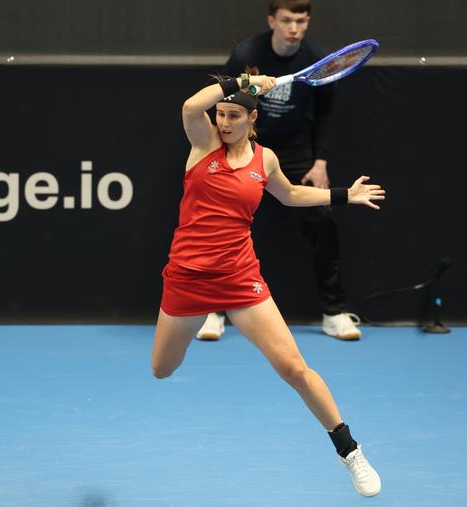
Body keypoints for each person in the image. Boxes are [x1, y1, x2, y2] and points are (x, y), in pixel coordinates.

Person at [152, 71, 383, 496]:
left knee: (294, 369)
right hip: (186, 278)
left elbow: (291, 195)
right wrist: (239, 81)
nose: (223, 122)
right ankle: (204, 319)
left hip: (240, 279)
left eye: (233, 115)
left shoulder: (266, 160)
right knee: (162, 370)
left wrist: (343, 195)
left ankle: (350, 452)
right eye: (220, 114)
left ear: (252, 118)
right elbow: (189, 107)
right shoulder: (202, 145)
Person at [196, 0, 361, 341]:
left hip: (294, 149)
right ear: (272, 20)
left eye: (301, 21)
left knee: (322, 218)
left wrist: (320, 161)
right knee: (220, 222)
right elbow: (225, 102)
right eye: (286, 20)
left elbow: (325, 112)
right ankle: (215, 310)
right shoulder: (246, 53)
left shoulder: (318, 59)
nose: (294, 28)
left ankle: (333, 312)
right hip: (246, 144)